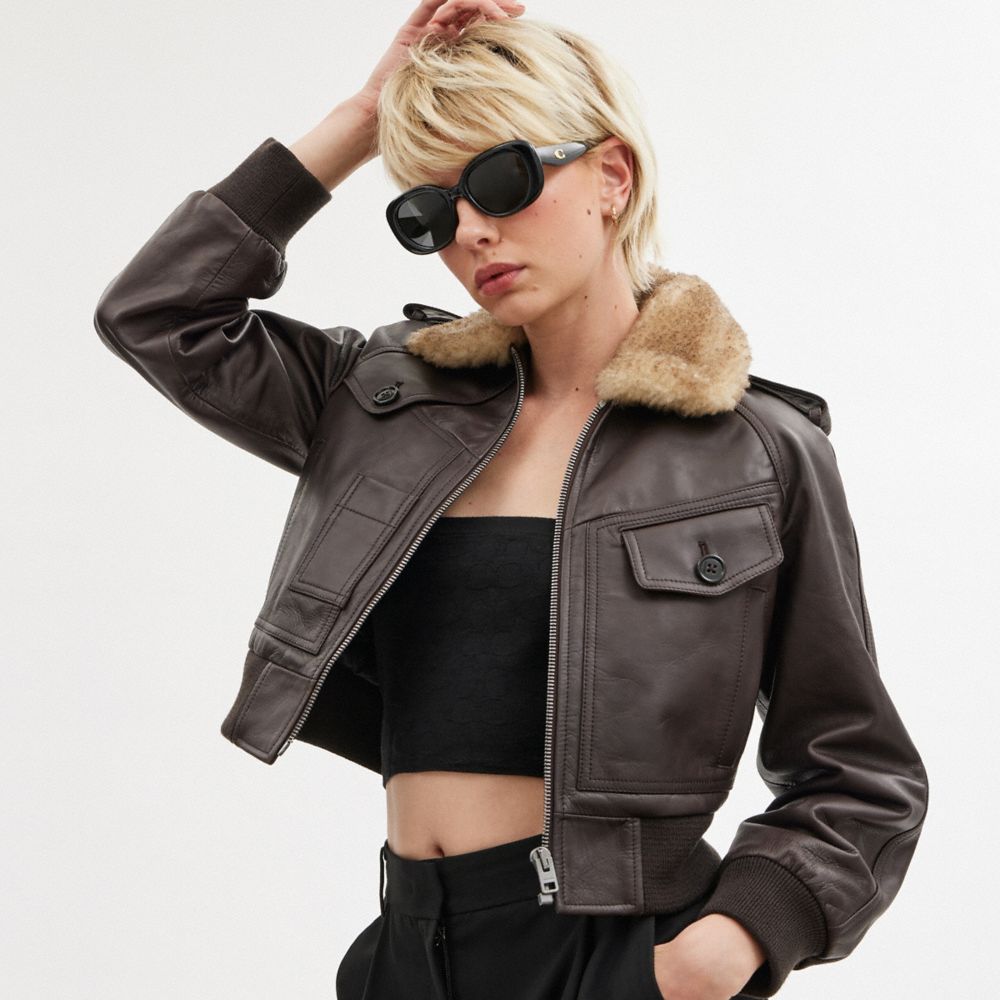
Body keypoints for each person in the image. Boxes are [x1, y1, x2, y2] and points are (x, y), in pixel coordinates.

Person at [92, 2, 929, 998]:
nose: (473, 231)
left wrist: (724, 950)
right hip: (407, 950)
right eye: (431, 212)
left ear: (612, 176)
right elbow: (160, 313)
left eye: (501, 180)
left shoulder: (755, 452)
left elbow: (859, 768)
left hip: (619, 956)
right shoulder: (383, 404)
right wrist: (363, 116)